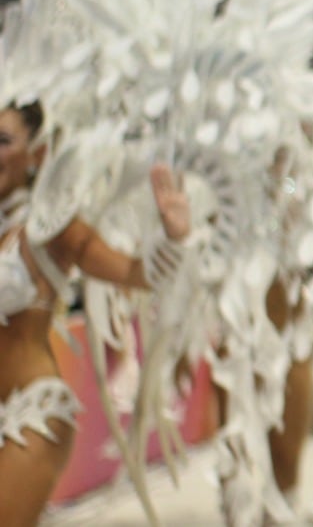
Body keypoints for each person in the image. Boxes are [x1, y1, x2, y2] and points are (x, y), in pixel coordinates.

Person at [0, 103, 190, 527]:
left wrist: (172, 239)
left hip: (30, 413)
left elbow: (134, 272)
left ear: (37, 154)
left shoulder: (51, 228)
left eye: (3, 141)